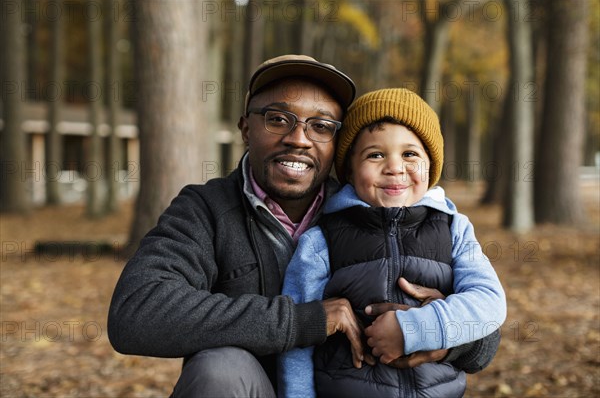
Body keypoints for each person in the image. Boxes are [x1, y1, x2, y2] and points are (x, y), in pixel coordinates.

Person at [108, 55, 500, 397]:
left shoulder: (374, 205)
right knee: (219, 369)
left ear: (337, 143)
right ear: (247, 128)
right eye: (278, 119)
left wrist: (438, 334)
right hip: (251, 389)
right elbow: (137, 312)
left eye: (321, 126)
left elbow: (485, 334)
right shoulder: (206, 209)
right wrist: (304, 322)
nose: (298, 139)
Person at [278, 88, 507, 398]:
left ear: (431, 165)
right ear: (349, 170)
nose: (395, 167)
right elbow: (298, 341)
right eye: (375, 155)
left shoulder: (454, 229)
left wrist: (415, 329)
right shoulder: (321, 240)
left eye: (410, 154)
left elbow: (489, 302)